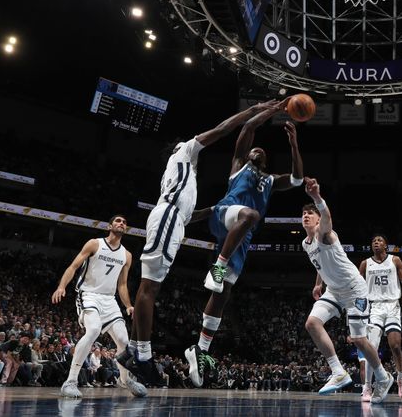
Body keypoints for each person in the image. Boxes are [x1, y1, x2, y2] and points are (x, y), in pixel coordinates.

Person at [120, 101, 279, 382]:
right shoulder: (183, 153)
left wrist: (215, 210)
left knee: (151, 286)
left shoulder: (186, 180)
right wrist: (257, 110)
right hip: (168, 217)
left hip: (175, 220)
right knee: (149, 288)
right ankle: (143, 356)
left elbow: (191, 215)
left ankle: (132, 349)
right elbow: (223, 129)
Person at [185, 103, 302, 387]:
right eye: (254, 149)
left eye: (261, 151)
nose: (257, 149)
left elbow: (298, 179)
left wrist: (294, 143)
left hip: (241, 236)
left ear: (266, 160)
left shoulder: (270, 181)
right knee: (250, 215)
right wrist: (274, 110)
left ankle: (199, 350)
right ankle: (218, 266)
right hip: (224, 215)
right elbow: (248, 127)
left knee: (222, 295)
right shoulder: (238, 166)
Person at [300, 177, 394, 403]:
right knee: (312, 323)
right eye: (303, 214)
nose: (305, 216)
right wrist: (318, 283)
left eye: (310, 213)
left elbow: (328, 218)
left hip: (354, 290)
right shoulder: (306, 243)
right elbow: (320, 263)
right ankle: (338, 372)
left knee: (359, 339)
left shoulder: (326, 233)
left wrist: (316, 197)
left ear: (318, 219)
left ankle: (383, 377)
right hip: (333, 289)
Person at [52, 215, 146, 398]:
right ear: (110, 226)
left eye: (125, 222)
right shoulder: (94, 244)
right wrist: (62, 286)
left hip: (110, 300)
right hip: (88, 294)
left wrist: (128, 305)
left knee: (124, 342)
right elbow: (73, 267)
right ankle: (70, 381)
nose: (122, 223)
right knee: (93, 330)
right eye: (118, 221)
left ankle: (125, 380)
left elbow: (123, 284)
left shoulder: (127, 255)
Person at [357, 234, 402, 401]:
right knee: (371, 347)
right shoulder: (365, 263)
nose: (376, 243)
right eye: (373, 241)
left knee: (395, 345)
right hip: (375, 307)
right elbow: (358, 286)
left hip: (393, 305)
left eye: (379, 241)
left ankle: (401, 378)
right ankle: (367, 386)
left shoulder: (395, 260)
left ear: (386, 246)